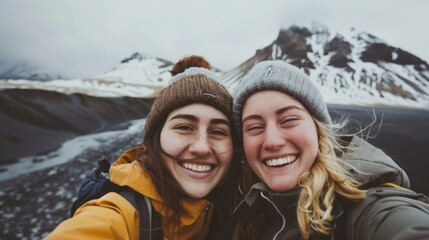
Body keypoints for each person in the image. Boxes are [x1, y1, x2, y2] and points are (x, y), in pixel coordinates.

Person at [226, 60, 429, 239]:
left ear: (318, 129)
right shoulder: (243, 210)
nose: (272, 141)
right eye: (254, 127)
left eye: (289, 120)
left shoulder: (362, 208)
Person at [46, 55, 240, 239]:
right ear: (156, 138)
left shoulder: (238, 200)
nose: (202, 148)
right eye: (184, 127)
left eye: (218, 132)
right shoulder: (120, 213)